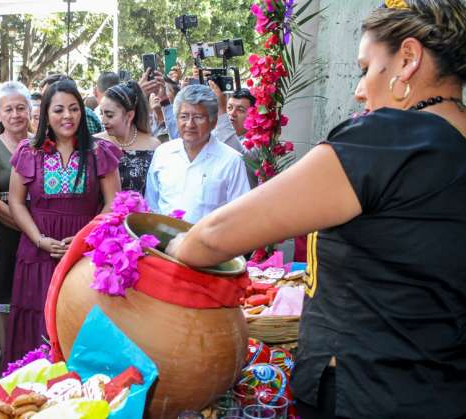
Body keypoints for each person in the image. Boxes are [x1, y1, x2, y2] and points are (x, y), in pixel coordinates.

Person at [168, 1, 466, 417]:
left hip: (366, 391)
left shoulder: (389, 139)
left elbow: (216, 235)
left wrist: (170, 247)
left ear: (408, 59)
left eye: (366, 68)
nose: (360, 89)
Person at [3, 79, 121, 365]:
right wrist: (39, 240)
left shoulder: (99, 152)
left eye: (73, 109)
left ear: (82, 112)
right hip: (38, 251)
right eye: (58, 110)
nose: (67, 116)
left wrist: (84, 239)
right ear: (46, 113)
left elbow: (113, 203)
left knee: (80, 317)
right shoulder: (28, 151)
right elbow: (16, 202)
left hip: (85, 255)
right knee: (38, 318)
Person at [145, 84, 250, 224]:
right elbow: (151, 204)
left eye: (198, 117)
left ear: (213, 122)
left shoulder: (231, 161)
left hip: (211, 243)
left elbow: (240, 215)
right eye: (184, 116)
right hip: (164, 242)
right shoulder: (163, 153)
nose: (190, 124)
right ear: (176, 120)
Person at [0, 81, 31, 366]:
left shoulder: (43, 144)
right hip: (6, 236)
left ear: (30, 110)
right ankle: (7, 361)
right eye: (8, 110)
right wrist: (29, 227)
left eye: (20, 108)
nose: (15, 115)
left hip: (42, 238)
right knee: (3, 301)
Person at [98, 80, 160, 195]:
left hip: (142, 213)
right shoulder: (96, 143)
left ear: (129, 115)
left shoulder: (153, 146)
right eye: (101, 113)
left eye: (109, 115)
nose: (103, 120)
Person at [208, 85, 260, 188]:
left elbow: (238, 156)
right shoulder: (215, 133)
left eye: (240, 110)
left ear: (254, 115)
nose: (232, 113)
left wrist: (222, 111)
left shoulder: (259, 142)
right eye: (229, 107)